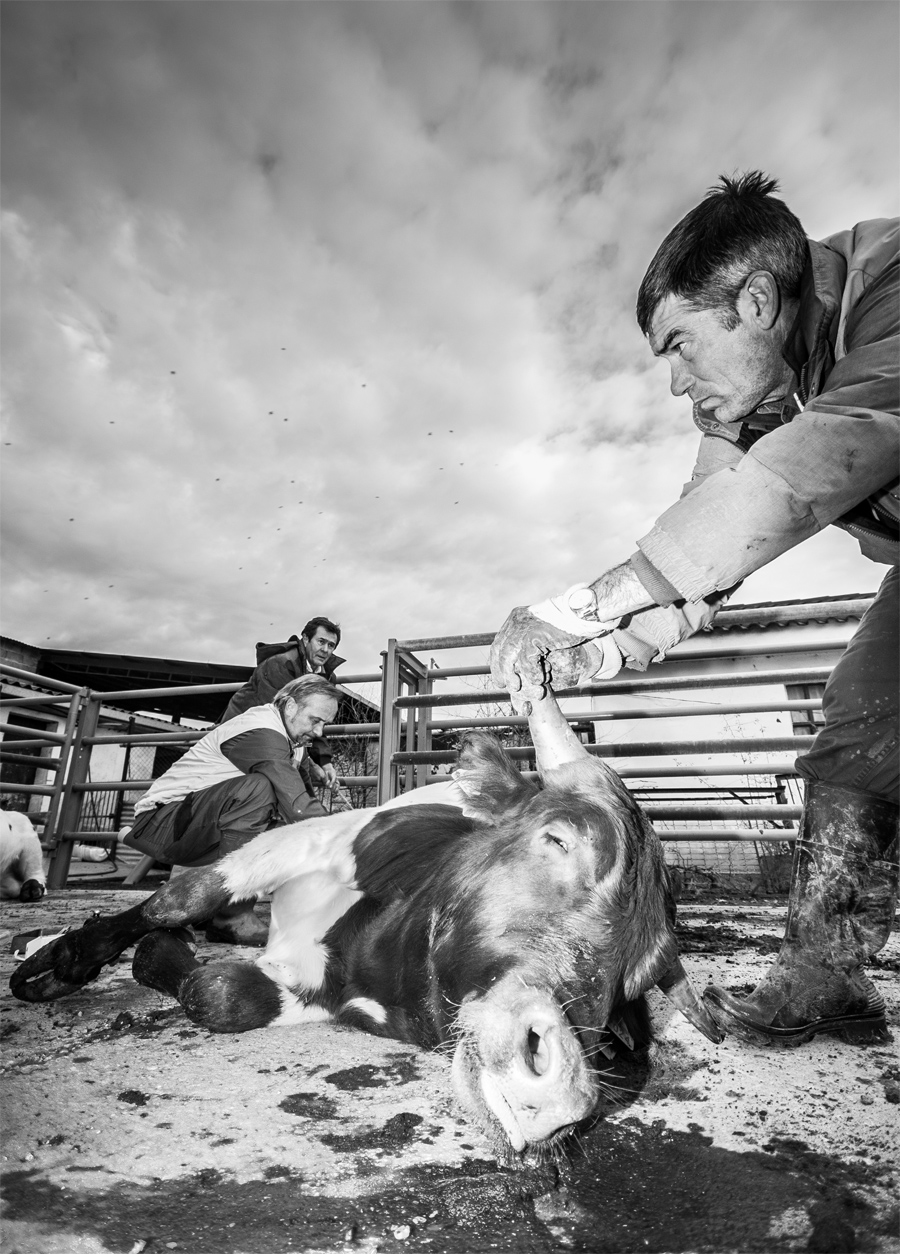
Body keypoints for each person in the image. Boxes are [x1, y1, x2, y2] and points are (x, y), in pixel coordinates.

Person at [491, 172, 898, 1046]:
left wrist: (577, 604)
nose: (676, 383)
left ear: (755, 301)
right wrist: (597, 651)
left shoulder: (893, 286)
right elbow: (704, 544)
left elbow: (826, 459)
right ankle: (828, 972)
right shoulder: (751, 402)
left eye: (680, 345)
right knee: (863, 721)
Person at [125, 675, 338, 946]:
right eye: (315, 720)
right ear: (291, 707)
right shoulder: (262, 731)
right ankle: (232, 917)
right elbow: (299, 807)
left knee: (289, 830)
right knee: (259, 789)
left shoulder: (294, 745)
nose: (319, 732)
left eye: (324, 725)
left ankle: (208, 904)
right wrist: (351, 837)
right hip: (162, 823)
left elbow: (306, 800)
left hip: (195, 824)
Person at [222, 616, 344, 792]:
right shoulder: (280, 664)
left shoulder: (326, 677)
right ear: (306, 638)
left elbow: (316, 720)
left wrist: (325, 762)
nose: (325, 650)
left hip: (275, 739)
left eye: (331, 645)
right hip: (242, 734)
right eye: (321, 641)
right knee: (276, 786)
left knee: (293, 782)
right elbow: (281, 718)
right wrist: (310, 764)